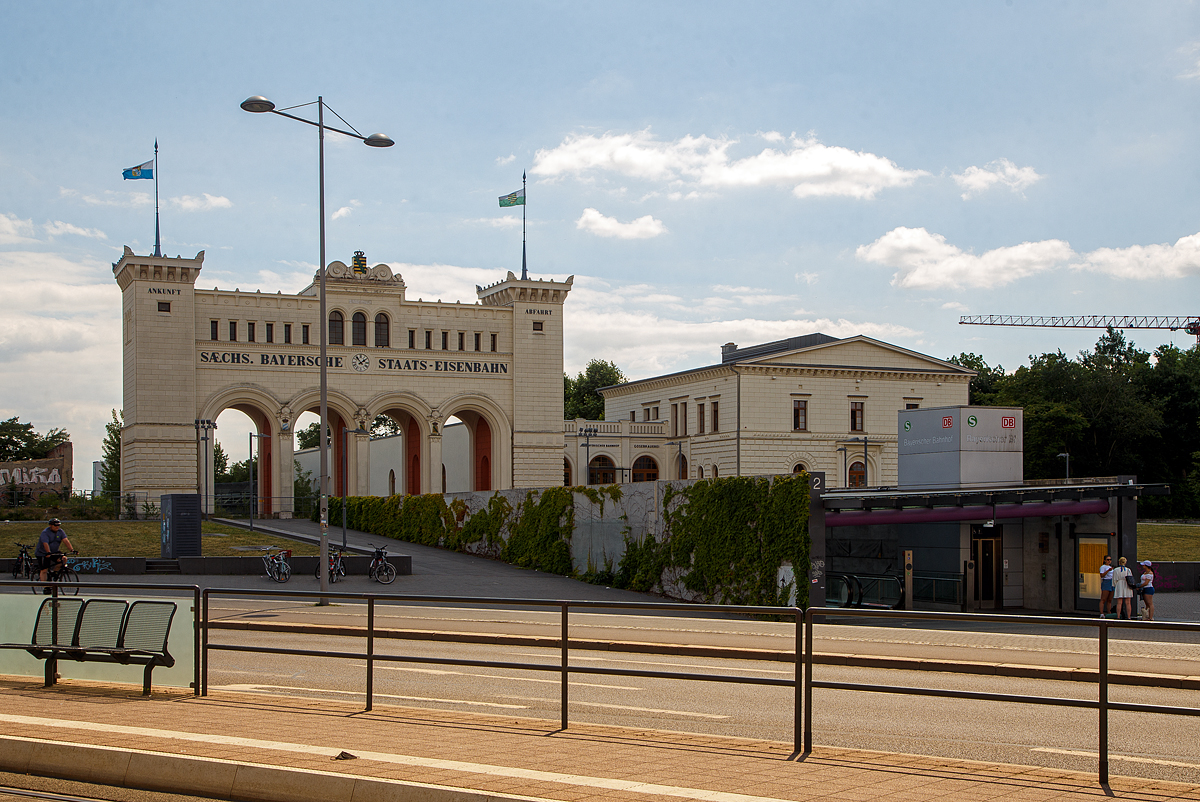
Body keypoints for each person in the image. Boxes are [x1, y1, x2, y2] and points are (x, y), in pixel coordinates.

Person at [36, 518, 73, 590]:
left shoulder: (60, 531)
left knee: (63, 559)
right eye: (55, 525)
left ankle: (54, 572)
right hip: (43, 553)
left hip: (54, 551)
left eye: (58, 525)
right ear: (50, 525)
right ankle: (45, 587)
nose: (57, 527)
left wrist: (72, 550)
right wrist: (48, 552)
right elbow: (45, 543)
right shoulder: (45, 533)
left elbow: (65, 540)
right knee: (44, 570)